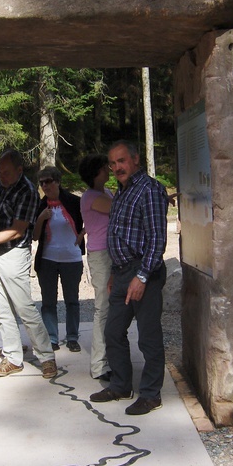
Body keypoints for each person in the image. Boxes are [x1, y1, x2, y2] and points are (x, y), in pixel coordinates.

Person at [0, 149, 57, 379]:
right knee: (2, 310)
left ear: (19, 170)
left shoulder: (27, 191)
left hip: (14, 253)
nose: (1, 176)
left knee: (24, 308)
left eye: (6, 172)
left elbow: (17, 230)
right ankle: (13, 358)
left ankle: (46, 357)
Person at [90, 140, 169, 415]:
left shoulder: (149, 189)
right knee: (113, 331)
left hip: (144, 271)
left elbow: (157, 239)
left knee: (148, 336)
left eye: (121, 161)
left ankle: (151, 395)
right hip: (122, 272)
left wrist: (142, 276)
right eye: (112, 164)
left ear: (135, 159)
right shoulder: (123, 191)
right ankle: (121, 385)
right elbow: (119, 233)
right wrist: (116, 272)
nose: (116, 168)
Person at [33, 166, 85, 353]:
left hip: (71, 259)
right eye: (41, 183)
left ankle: (72, 337)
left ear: (58, 181)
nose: (44, 186)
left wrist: (82, 234)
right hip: (47, 259)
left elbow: (93, 219)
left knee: (72, 300)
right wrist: (41, 218)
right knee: (48, 302)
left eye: (48, 181)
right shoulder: (40, 206)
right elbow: (34, 236)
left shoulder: (73, 201)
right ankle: (52, 338)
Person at [78, 154, 114, 381]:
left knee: (112, 307)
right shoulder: (91, 196)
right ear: (96, 173)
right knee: (103, 307)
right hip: (101, 256)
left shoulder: (106, 192)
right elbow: (121, 208)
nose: (108, 169)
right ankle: (99, 365)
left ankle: (109, 358)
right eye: (104, 167)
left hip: (111, 254)